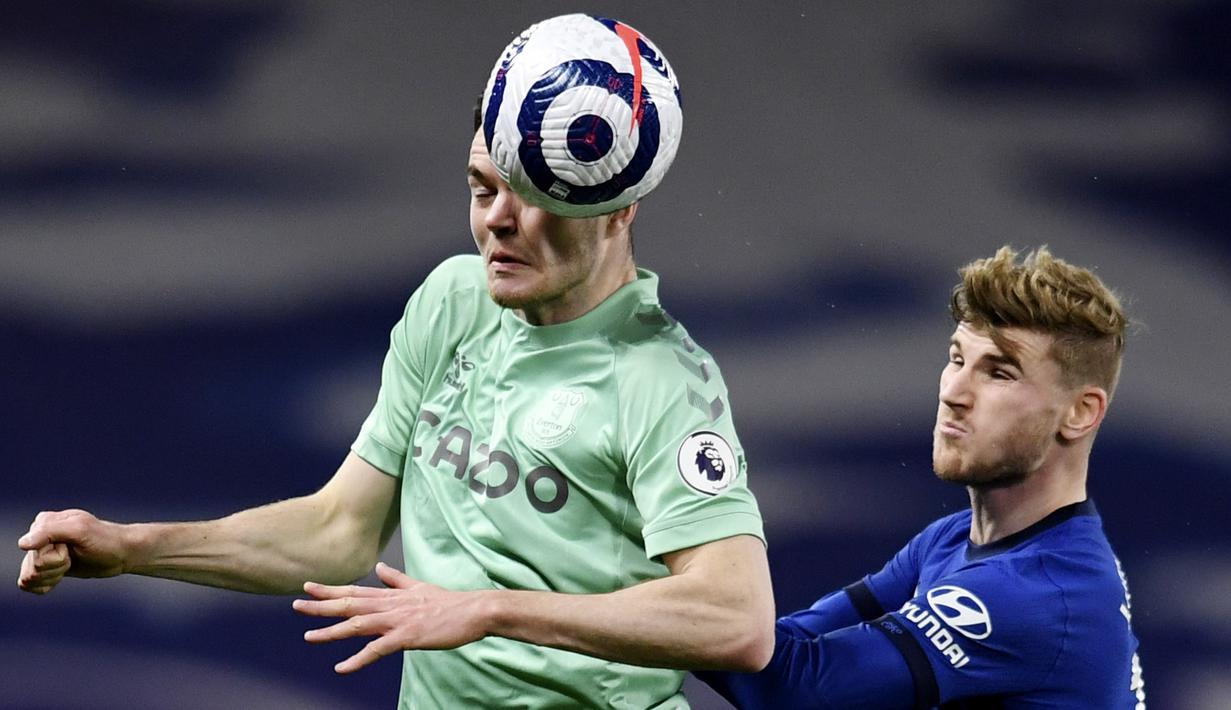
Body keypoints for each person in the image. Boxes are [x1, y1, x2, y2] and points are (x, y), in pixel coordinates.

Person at [16, 25, 775, 710]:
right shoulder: (453, 303)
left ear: (619, 209)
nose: (497, 220)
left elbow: (737, 621)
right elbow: (339, 530)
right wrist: (132, 548)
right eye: (482, 188)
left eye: (534, 196)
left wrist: (492, 609)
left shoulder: (659, 380)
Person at [698, 246, 1146, 708]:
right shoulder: (952, 538)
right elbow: (775, 643)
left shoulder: (1040, 595)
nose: (953, 393)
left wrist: (678, 542)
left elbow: (793, 688)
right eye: (957, 359)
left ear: (1080, 412)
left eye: (999, 373)